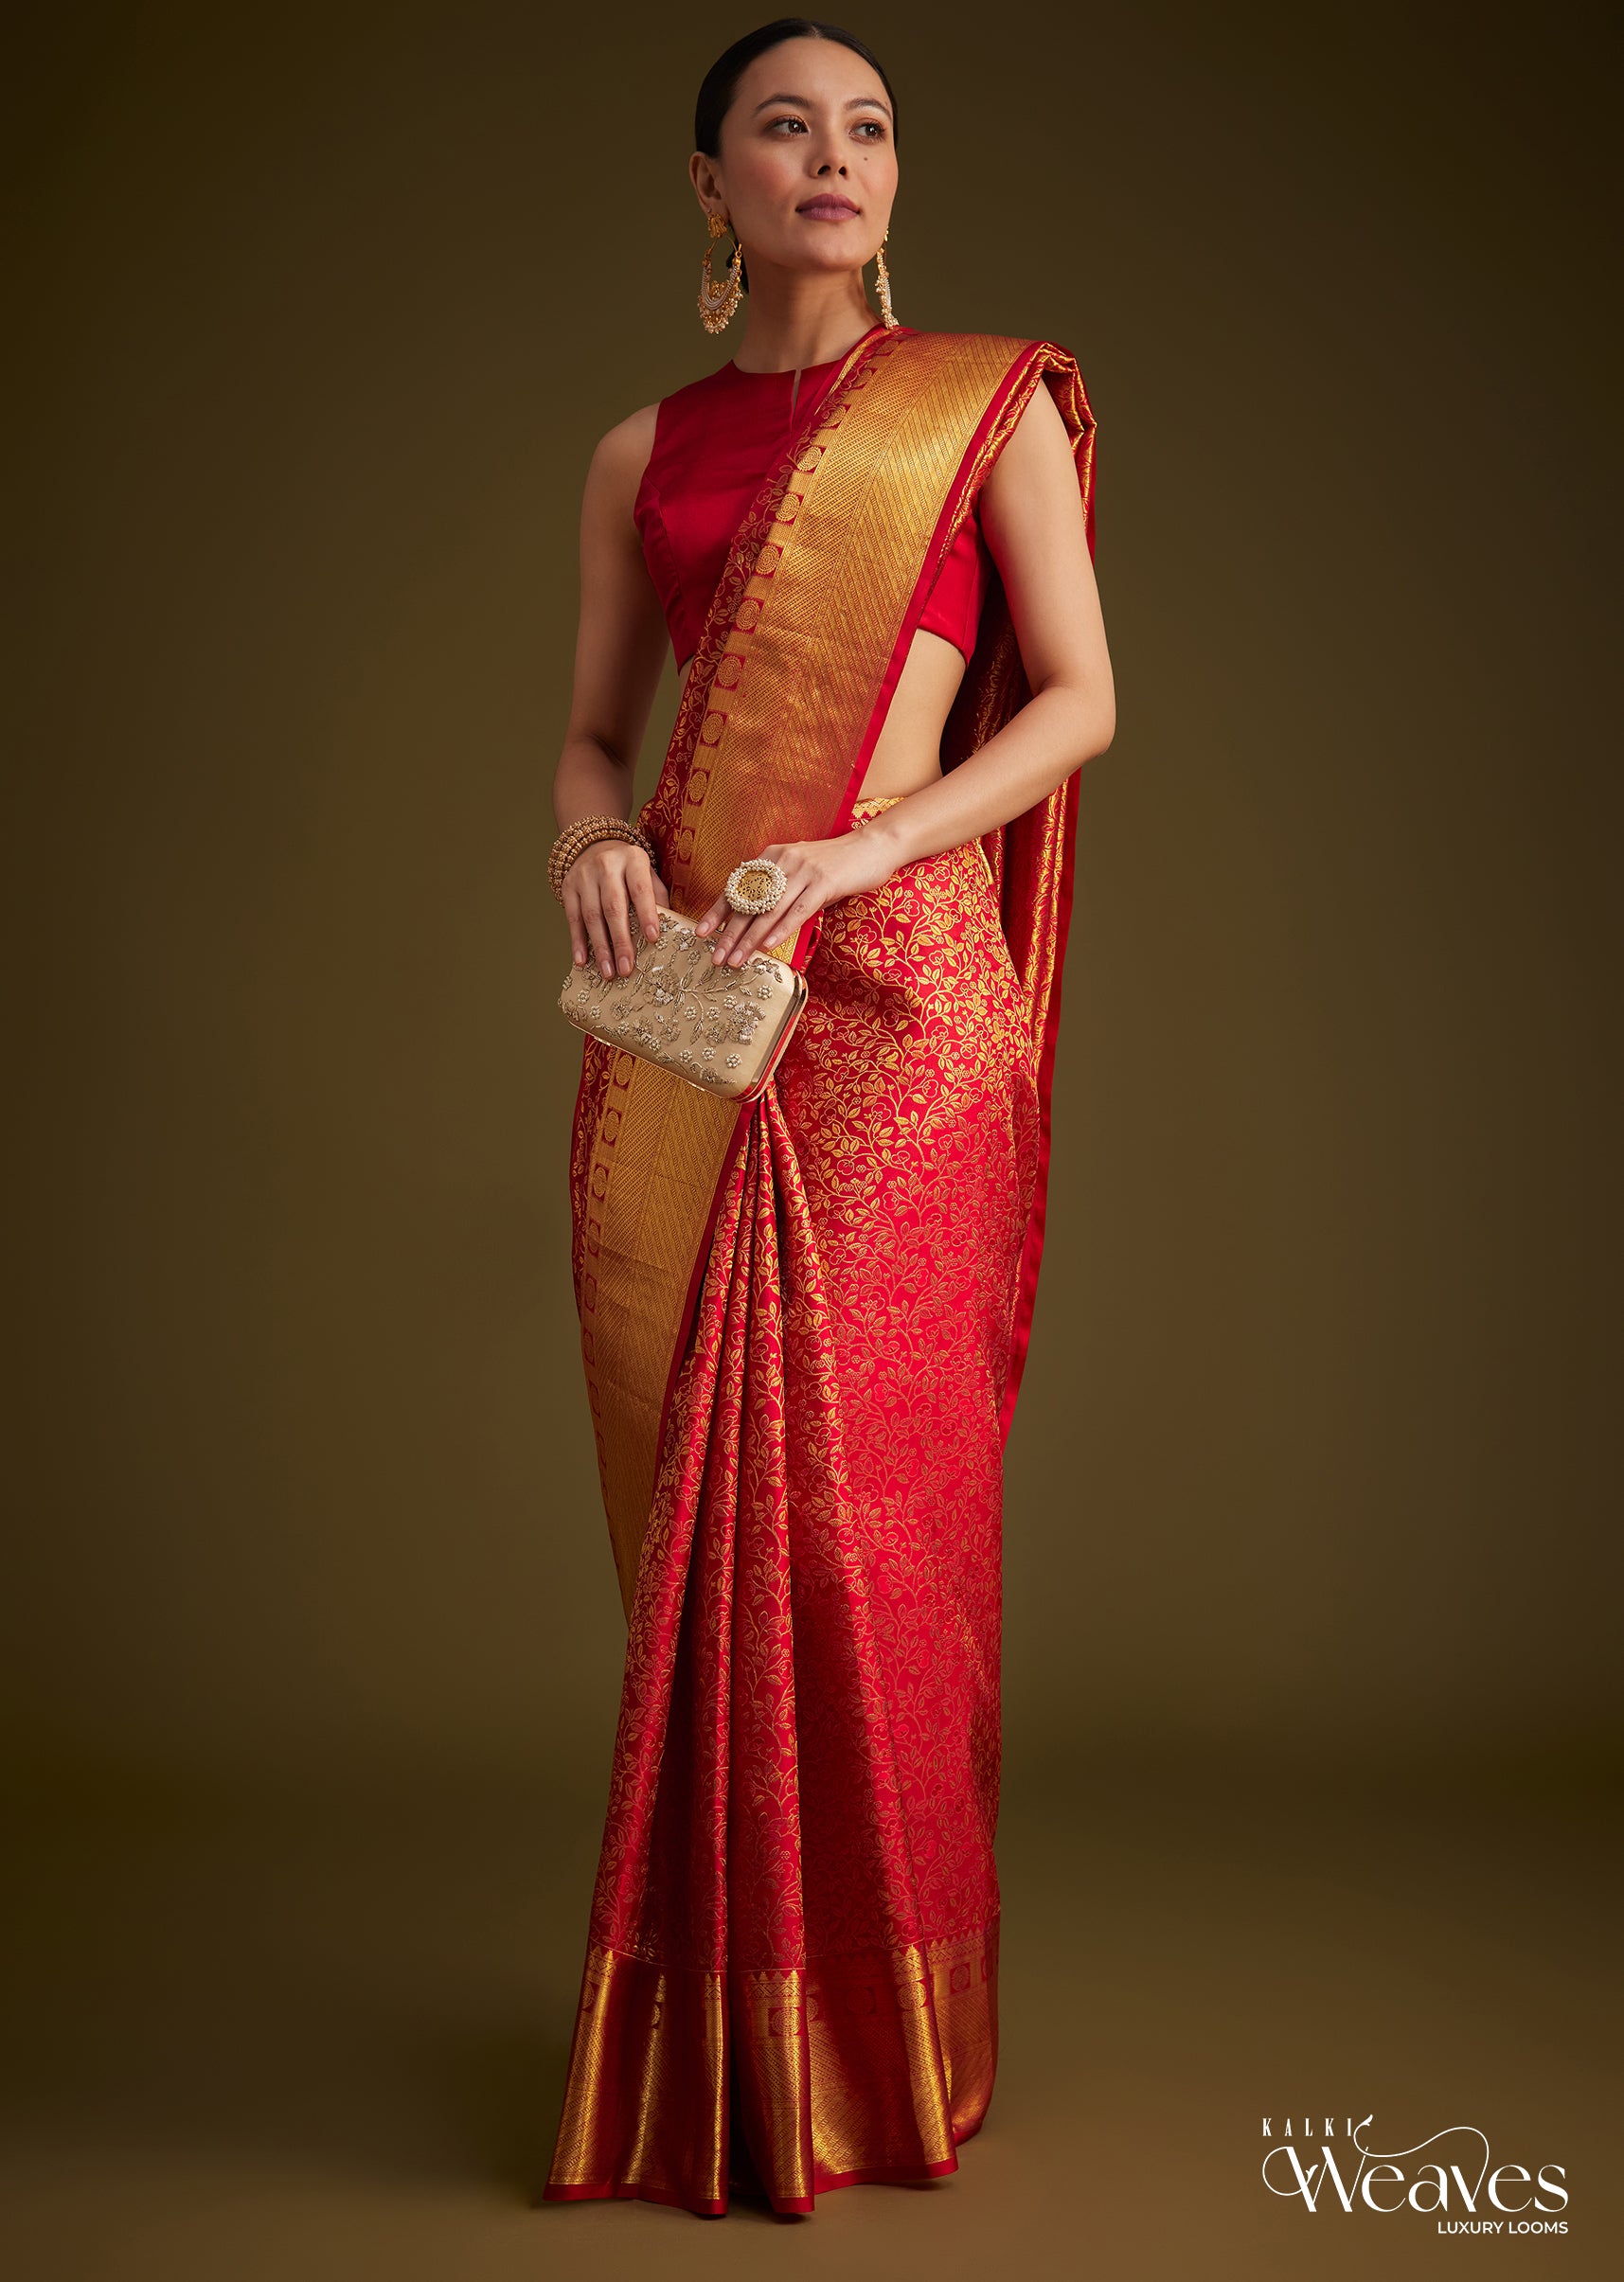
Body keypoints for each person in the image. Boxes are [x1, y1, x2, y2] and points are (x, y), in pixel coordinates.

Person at [542, 16, 1115, 2219]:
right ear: (713, 185)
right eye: (784, 126)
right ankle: (729, 2029)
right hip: (706, 994)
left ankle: (887, 2042)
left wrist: (878, 843)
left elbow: (1082, 696)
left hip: (905, 999)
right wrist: (587, 840)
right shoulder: (643, 451)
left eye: (867, 125)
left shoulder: (982, 412)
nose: (834, 155)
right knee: (726, 1513)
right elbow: (594, 737)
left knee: (872, 1521)